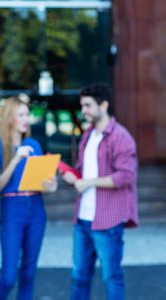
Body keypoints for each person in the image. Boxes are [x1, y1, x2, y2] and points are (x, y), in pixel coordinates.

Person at [62, 83, 138, 300]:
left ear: (103, 104)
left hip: (109, 219)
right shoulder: (88, 135)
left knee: (111, 277)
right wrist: (72, 177)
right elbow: (82, 174)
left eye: (87, 105)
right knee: (78, 277)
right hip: (83, 219)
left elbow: (126, 176)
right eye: (82, 105)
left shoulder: (120, 136)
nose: (83, 110)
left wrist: (88, 182)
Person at [0, 96, 58, 300]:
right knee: (8, 277)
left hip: (36, 208)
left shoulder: (34, 144)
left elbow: (44, 183)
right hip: (11, 209)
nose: (26, 119)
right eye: (21, 114)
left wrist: (51, 186)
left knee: (28, 273)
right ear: (9, 118)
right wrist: (16, 158)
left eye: (27, 114)